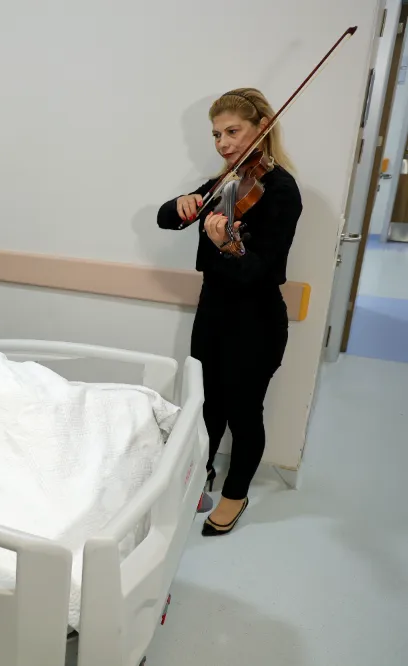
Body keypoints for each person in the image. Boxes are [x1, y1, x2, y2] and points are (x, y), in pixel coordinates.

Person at [156, 88, 302, 537]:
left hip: (255, 321)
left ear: (262, 126)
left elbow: (261, 271)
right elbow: (166, 218)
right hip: (213, 313)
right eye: (217, 134)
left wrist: (227, 245)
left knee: (243, 412)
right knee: (206, 406)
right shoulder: (226, 182)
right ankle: (200, 475)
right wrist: (181, 203)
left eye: (233, 131)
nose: (223, 143)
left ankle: (235, 495)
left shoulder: (282, 190)